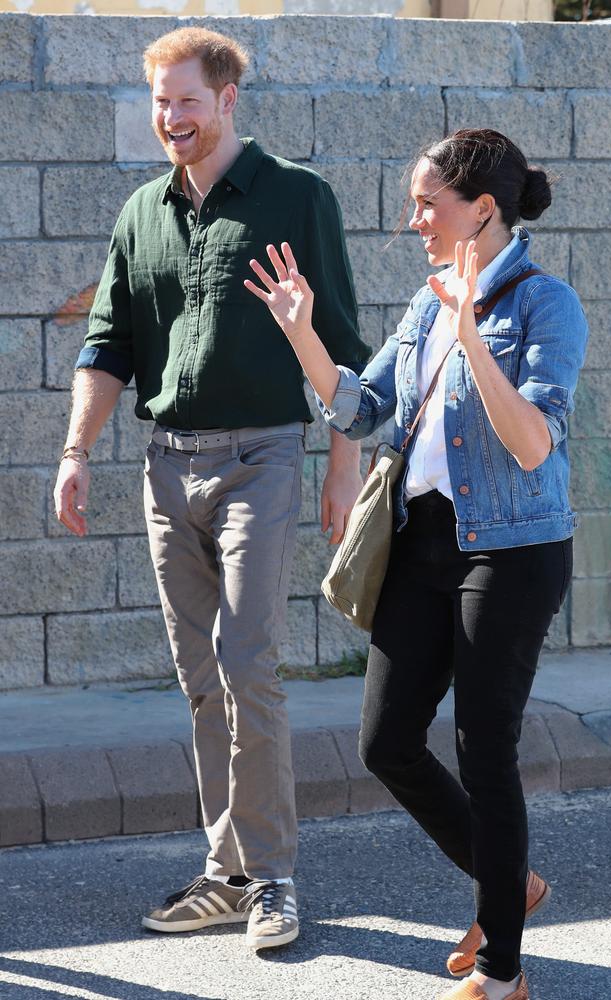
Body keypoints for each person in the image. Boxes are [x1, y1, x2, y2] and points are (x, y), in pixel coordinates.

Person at [245, 129, 588, 998]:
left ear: (481, 210)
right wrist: (303, 336)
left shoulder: (547, 306)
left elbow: (534, 441)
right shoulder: (425, 303)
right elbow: (368, 413)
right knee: (387, 740)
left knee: (486, 750)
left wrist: (473, 332)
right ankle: (507, 886)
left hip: (510, 552)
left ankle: (504, 971)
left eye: (427, 205)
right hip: (423, 544)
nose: (414, 222)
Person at [53, 26, 369, 951]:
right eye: (160, 102)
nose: (171, 118)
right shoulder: (141, 212)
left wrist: (342, 466)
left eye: (186, 100)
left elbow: (343, 345)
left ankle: (272, 878)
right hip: (167, 461)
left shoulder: (298, 197)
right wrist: (76, 453)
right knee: (199, 678)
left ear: (228, 100)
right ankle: (227, 871)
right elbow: (107, 345)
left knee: (247, 663)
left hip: (262, 457)